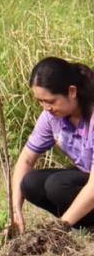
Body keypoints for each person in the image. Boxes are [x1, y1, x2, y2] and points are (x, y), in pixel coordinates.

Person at [10, 57, 94, 234]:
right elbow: (26, 159)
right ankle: (83, 223)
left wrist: (59, 228)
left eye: (50, 101)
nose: (45, 107)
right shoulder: (51, 117)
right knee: (30, 183)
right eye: (40, 101)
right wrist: (15, 210)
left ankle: (75, 223)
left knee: (57, 185)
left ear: (71, 91)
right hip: (86, 174)